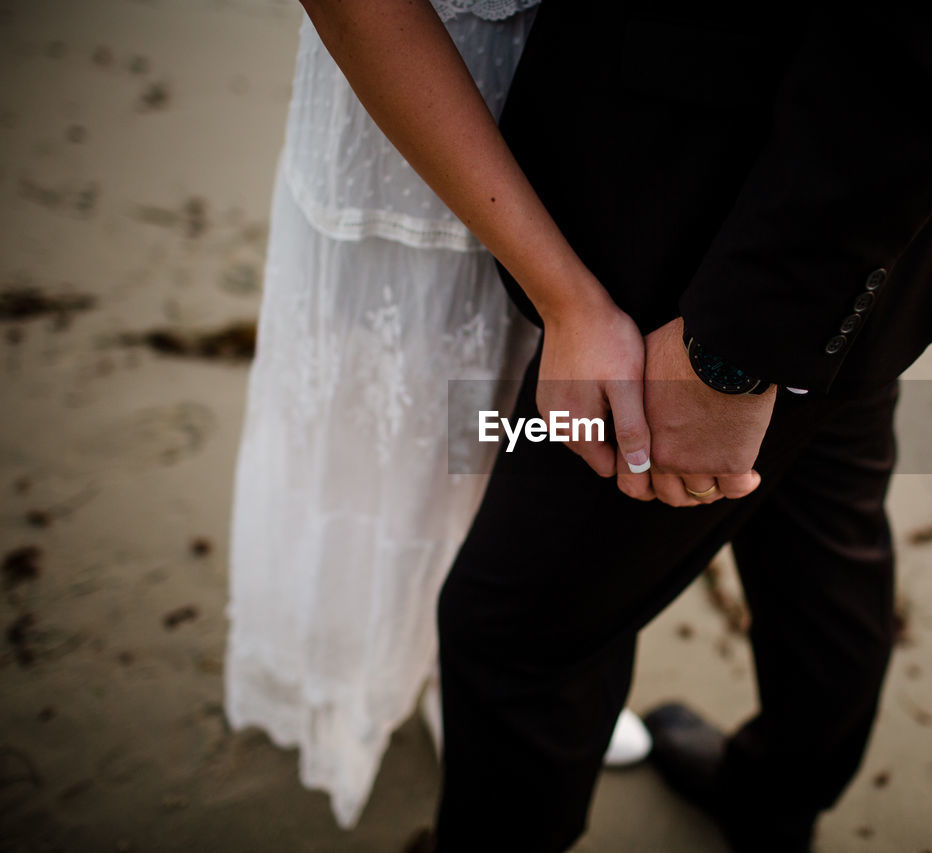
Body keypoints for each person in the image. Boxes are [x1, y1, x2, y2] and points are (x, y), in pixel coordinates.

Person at [301, 0, 932, 851]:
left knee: (518, 636)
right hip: (887, 211)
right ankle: (778, 795)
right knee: (821, 522)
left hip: (714, 241)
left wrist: (736, 349)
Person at [223, 0, 649, 831]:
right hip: (410, 130)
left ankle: (475, 684)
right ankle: (385, 673)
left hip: (586, 144)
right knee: (393, 418)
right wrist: (566, 297)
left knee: (509, 423)